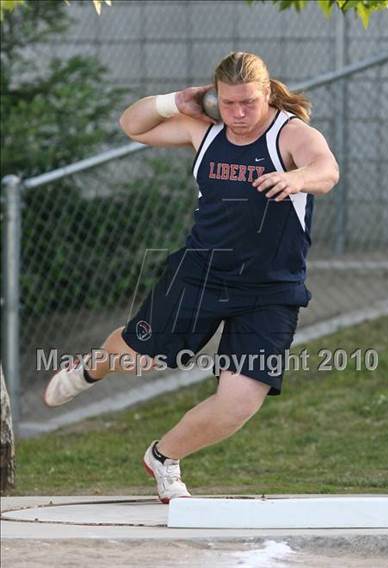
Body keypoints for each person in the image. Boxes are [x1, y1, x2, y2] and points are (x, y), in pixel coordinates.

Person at [44, 52, 339, 504]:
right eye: (229, 103)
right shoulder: (204, 131)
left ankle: (164, 457)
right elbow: (133, 125)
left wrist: (297, 179)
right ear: (215, 98)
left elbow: (326, 169)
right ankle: (92, 366)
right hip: (201, 274)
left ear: (267, 94)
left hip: (271, 289)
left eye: (249, 103)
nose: (239, 114)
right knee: (141, 358)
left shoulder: (291, 134)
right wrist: (170, 102)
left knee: (240, 401)